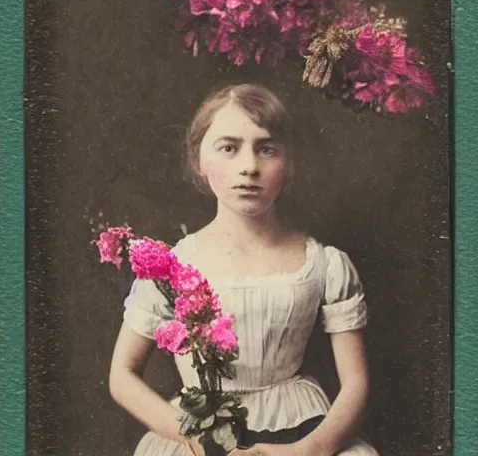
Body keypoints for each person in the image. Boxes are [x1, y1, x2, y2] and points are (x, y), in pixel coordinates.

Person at [109, 83, 379, 456]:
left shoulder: (323, 264)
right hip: (201, 435)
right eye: (228, 148)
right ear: (199, 160)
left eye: (267, 149)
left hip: (301, 429)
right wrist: (196, 440)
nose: (249, 166)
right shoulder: (172, 267)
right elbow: (122, 376)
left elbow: (356, 384)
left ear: (290, 162)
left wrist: (302, 452)